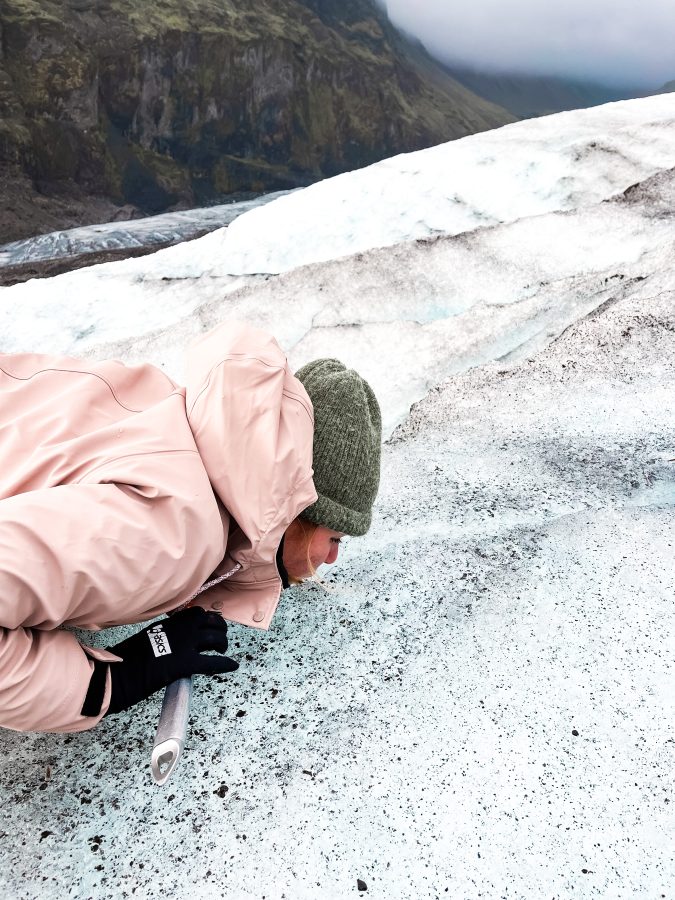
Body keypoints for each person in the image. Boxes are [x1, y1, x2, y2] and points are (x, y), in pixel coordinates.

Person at [0, 321, 381, 732]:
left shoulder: (172, 413)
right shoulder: (172, 532)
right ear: (298, 507)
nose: (333, 557)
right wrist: (110, 681)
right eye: (335, 536)